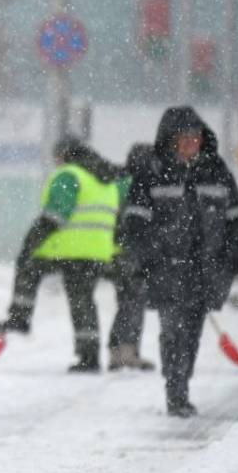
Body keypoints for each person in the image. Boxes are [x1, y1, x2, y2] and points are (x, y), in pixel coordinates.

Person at [120, 106, 238, 417]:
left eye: (196, 138)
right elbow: (135, 220)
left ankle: (181, 382)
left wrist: (234, 252)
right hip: (166, 268)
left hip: (207, 268)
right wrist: (147, 254)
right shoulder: (152, 173)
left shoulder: (217, 171)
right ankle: (175, 390)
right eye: (185, 139)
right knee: (172, 330)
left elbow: (236, 217)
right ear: (170, 141)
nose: (191, 143)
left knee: (192, 331)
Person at [0, 136, 122, 373]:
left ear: (63, 155)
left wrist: (32, 239)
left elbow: (56, 215)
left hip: (69, 246)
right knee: (83, 300)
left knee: (29, 265)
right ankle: (89, 356)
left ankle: (20, 317)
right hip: (97, 251)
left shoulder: (69, 175)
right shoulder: (106, 179)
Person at [106, 143, 158, 372]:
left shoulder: (116, 184)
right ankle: (129, 351)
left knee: (124, 300)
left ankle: (116, 352)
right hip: (133, 250)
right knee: (135, 300)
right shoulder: (140, 186)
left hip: (113, 250)